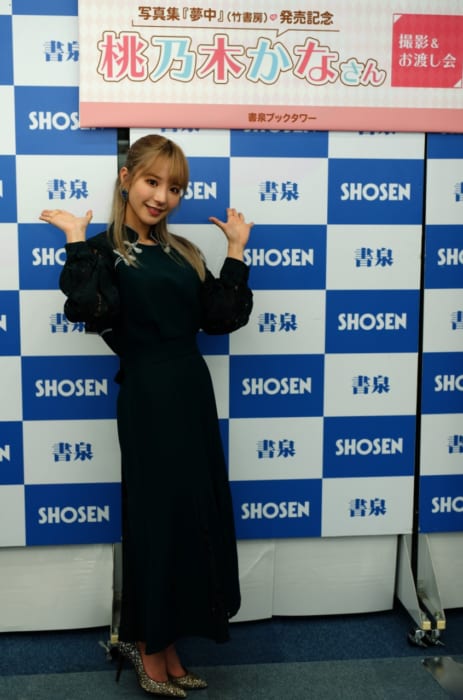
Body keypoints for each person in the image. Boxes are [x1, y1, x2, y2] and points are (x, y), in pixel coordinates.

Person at [39, 134, 253, 698]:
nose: (161, 197)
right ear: (126, 179)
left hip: (191, 391)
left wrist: (235, 250)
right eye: (152, 182)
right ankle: (146, 644)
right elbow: (90, 308)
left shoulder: (183, 250)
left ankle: (168, 644)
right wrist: (75, 240)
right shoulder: (104, 251)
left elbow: (219, 319)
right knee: (156, 520)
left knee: (191, 516)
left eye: (173, 188)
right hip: (148, 396)